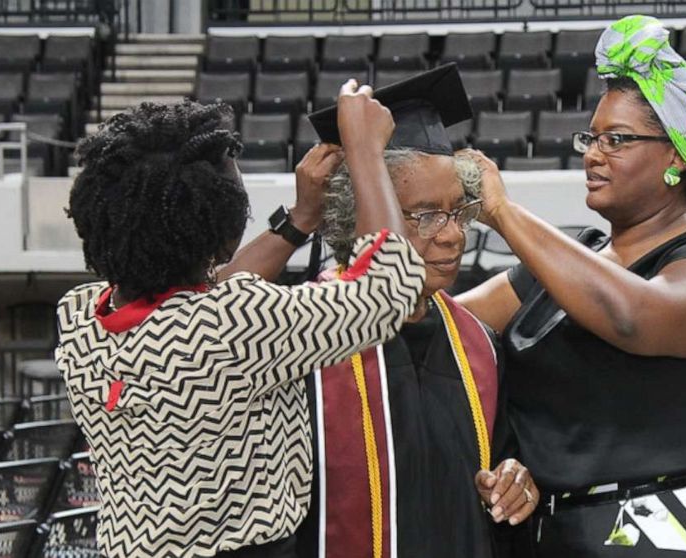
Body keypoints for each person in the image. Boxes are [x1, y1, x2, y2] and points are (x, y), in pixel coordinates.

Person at [457, 15, 686, 557]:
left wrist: (501, 211)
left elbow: (633, 318)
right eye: (592, 136)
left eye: (617, 140)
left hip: (684, 533)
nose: (592, 153)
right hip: (558, 538)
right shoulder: (573, 259)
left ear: (676, 158)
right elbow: (455, 326)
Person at [55, 81, 426, 558]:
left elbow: (206, 299)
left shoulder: (79, 317)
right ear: (223, 234)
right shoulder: (237, 323)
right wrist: (364, 150)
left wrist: (300, 219)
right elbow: (391, 288)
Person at [295, 64, 538, 558]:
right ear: (359, 213)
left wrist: (517, 482)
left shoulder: (481, 345)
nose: (451, 235)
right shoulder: (303, 335)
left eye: (458, 211)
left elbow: (506, 463)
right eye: (425, 216)